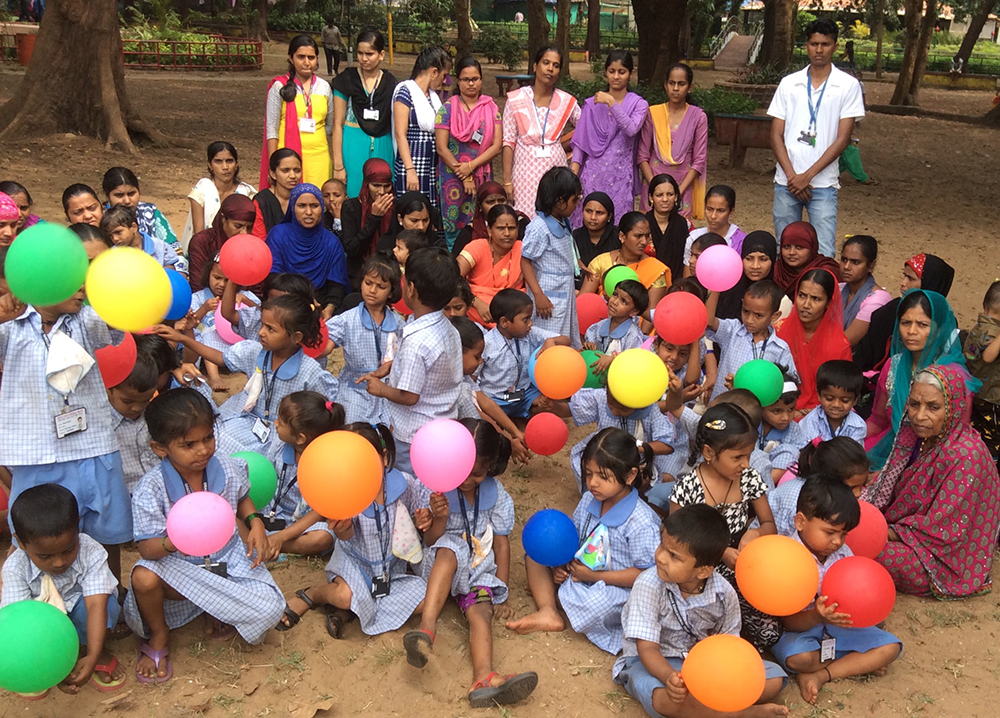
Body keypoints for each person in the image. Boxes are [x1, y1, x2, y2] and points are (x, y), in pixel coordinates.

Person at [124, 389, 286, 683]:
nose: (202, 450)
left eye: (208, 438)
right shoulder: (151, 488)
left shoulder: (223, 463)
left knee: (271, 609)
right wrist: (177, 540)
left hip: (226, 558)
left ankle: (213, 606)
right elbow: (147, 549)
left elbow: (241, 496)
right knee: (143, 578)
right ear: (160, 448)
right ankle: (160, 635)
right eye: (189, 445)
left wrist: (255, 522)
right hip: (180, 566)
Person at [0, 286, 133, 585]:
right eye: (72, 283)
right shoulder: (10, 325)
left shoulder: (85, 319)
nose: (82, 289)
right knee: (33, 534)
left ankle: (110, 596)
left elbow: (113, 323)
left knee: (105, 532)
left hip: (93, 446)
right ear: (45, 281)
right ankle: (32, 604)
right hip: (34, 454)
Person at [403, 419, 538, 709]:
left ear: (490, 467)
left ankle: (484, 677)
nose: (466, 480)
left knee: (481, 611)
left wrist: (501, 590)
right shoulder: (437, 488)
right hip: (440, 565)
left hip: (476, 569)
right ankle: (426, 630)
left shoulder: (497, 495)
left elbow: (501, 544)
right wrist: (438, 517)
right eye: (462, 471)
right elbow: (431, 541)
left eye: (477, 474)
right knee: (450, 549)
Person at [612, 505, 788, 718]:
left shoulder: (724, 593)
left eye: (674, 556)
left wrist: (718, 675)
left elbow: (728, 646)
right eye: (662, 546)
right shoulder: (649, 584)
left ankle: (712, 708)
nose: (660, 557)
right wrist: (671, 678)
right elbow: (647, 648)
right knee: (663, 698)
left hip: (702, 663)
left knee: (773, 679)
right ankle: (740, 714)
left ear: (703, 570)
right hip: (653, 661)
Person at [508, 428, 661, 653]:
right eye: (588, 474)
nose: (593, 483)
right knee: (536, 556)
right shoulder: (590, 499)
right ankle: (549, 610)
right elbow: (574, 538)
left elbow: (646, 575)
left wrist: (594, 576)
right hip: (580, 573)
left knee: (597, 604)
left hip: (614, 587)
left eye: (603, 476)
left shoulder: (641, 521)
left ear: (630, 475)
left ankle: (558, 597)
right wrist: (561, 565)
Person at [279, 422, 432, 637]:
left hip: (391, 570)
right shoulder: (345, 491)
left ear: (384, 457)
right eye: (353, 462)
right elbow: (346, 536)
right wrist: (343, 528)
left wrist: (424, 518)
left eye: (367, 460)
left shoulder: (404, 483)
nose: (361, 468)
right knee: (344, 596)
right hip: (356, 563)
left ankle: (351, 612)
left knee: (428, 599)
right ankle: (313, 595)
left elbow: (418, 516)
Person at [864, 365, 1000, 598]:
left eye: (933, 407)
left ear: (954, 409)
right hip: (900, 528)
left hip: (941, 557)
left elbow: (943, 530)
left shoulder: (966, 456)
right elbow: (889, 484)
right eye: (914, 404)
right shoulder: (914, 433)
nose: (919, 416)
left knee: (873, 553)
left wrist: (879, 532)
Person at [773, 476, 901, 705]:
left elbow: (858, 598)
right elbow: (786, 622)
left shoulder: (844, 554)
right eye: (830, 532)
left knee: (891, 648)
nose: (837, 541)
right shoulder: (786, 557)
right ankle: (853, 661)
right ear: (800, 521)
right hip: (801, 631)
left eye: (843, 534)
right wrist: (817, 615)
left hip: (840, 628)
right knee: (798, 659)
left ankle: (822, 674)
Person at [155, 295, 338, 452]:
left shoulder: (310, 373)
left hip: (281, 434)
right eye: (262, 325)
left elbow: (322, 411)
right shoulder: (255, 351)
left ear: (295, 337)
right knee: (215, 435)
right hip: (247, 420)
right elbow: (221, 358)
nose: (261, 333)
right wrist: (182, 339)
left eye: (270, 329)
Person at [669, 404, 780, 650]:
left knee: (769, 632)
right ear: (709, 453)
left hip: (742, 568)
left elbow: (769, 524)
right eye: (737, 457)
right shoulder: (688, 487)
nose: (745, 463)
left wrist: (756, 532)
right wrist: (720, 553)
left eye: (749, 455)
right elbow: (674, 539)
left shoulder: (749, 479)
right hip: (697, 570)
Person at [2, 484, 126, 696]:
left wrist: (94, 654)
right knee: (22, 631)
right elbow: (20, 625)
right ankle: (44, 666)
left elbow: (96, 604)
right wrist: (57, 669)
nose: (59, 562)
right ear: (21, 543)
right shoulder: (15, 568)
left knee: (107, 604)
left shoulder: (91, 551)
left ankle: (92, 650)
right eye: (45, 556)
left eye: (69, 549)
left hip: (83, 613)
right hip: (41, 627)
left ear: (78, 527)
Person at [358, 248, 463, 473]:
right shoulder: (447, 327)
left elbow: (409, 396)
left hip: (413, 434)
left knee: (412, 482)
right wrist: (391, 366)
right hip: (442, 424)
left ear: (411, 289)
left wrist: (381, 389)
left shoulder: (417, 342)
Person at [768, 18, 865, 258]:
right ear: (806, 45)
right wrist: (793, 177)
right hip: (786, 182)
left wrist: (807, 176)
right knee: (785, 251)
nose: (819, 50)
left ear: (835, 46)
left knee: (823, 253)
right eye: (813, 44)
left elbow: (843, 139)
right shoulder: (789, 83)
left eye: (825, 44)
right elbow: (775, 134)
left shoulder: (848, 86)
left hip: (823, 184)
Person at [866, 289, 972, 470]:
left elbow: (955, 438)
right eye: (906, 323)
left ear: (939, 329)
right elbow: (878, 420)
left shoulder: (953, 377)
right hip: (889, 450)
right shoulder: (895, 365)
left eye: (922, 324)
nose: (911, 331)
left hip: (935, 461)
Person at [258, 392, 342, 558]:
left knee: (323, 538)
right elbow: (265, 475)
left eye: (281, 423)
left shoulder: (325, 465)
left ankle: (273, 545)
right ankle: (266, 541)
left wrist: (282, 537)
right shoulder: (279, 445)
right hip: (273, 509)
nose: (275, 424)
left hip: (304, 521)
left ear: (300, 438)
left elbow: (319, 511)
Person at [502, 46, 581, 220]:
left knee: (555, 218)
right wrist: (507, 181)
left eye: (556, 65)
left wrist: (569, 150)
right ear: (535, 66)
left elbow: (585, 129)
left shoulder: (566, 101)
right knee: (526, 220)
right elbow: (508, 142)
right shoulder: (516, 99)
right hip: (524, 174)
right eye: (546, 63)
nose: (550, 69)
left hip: (556, 172)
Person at [570, 50, 649, 223]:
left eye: (622, 72)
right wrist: (572, 177)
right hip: (591, 176)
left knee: (617, 227)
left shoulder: (639, 104)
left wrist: (611, 103)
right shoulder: (592, 104)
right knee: (587, 224)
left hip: (620, 178)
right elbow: (580, 145)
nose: (616, 77)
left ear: (631, 73)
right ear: (605, 72)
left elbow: (631, 129)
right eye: (612, 71)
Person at [326, 254, 404, 424]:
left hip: (388, 389)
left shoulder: (399, 324)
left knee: (391, 429)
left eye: (381, 286)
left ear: (391, 292)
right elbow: (326, 345)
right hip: (354, 388)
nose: (372, 290)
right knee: (351, 426)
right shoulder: (346, 319)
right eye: (368, 283)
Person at [435, 56, 502, 248]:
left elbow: (496, 146)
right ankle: (454, 265)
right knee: (454, 225)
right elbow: (441, 147)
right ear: (458, 81)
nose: (471, 84)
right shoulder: (446, 109)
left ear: (481, 80)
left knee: (482, 221)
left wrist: (471, 167)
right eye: (466, 79)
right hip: (453, 176)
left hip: (481, 173)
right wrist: (464, 175)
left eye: (475, 79)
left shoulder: (491, 108)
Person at [853, 253, 955, 373]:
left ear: (931, 283)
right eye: (905, 322)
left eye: (911, 278)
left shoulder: (946, 321)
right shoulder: (889, 313)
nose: (903, 283)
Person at [480, 289, 571, 421]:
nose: (531, 323)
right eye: (525, 319)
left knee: (548, 405)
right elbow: (473, 379)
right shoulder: (487, 345)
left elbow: (566, 340)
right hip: (496, 398)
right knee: (487, 416)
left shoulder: (530, 333)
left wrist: (551, 341)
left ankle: (523, 414)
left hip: (525, 393)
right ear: (505, 322)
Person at [566, 388, 679, 492]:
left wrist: (634, 448)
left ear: (638, 405)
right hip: (604, 454)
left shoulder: (650, 411)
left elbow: (666, 445)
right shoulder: (600, 398)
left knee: (642, 479)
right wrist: (554, 406)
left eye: (622, 410)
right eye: (610, 405)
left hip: (635, 461)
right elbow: (571, 410)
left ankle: (633, 498)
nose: (614, 412)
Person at [705, 279, 797, 405]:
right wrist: (716, 285)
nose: (749, 320)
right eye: (746, 311)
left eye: (758, 315)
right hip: (721, 406)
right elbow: (709, 321)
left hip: (756, 414)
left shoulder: (780, 349)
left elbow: (790, 384)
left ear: (775, 316)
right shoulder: (733, 331)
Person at [520, 166, 584, 349]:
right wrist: (538, 295)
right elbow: (525, 261)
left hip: (564, 290)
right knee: (549, 338)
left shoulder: (563, 221)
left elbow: (566, 250)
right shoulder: (539, 227)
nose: (576, 204)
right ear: (559, 202)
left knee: (564, 336)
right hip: (547, 295)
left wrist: (579, 265)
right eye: (574, 200)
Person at [266, 183, 349, 316]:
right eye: (302, 206)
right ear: (292, 208)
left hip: (320, 306)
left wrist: (329, 308)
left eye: (314, 206)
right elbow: (273, 278)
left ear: (322, 208)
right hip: (284, 301)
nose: (309, 212)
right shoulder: (278, 235)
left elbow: (336, 284)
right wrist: (302, 298)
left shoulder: (331, 242)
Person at [332, 30, 397, 197]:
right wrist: (338, 165)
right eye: (360, 53)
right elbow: (337, 125)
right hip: (353, 144)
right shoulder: (346, 80)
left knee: (382, 195)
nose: (364, 58)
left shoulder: (391, 83)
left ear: (381, 54)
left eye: (369, 54)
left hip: (384, 143)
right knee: (355, 194)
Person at [639, 63, 708, 220]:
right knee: (649, 232)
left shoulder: (698, 117)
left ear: (689, 88)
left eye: (681, 84)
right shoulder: (653, 113)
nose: (675, 88)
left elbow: (699, 160)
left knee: (679, 233)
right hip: (653, 180)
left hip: (683, 183)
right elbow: (642, 155)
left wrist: (677, 191)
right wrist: (655, 187)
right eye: (672, 83)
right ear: (665, 85)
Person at [263, 35, 333, 190]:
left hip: (319, 157)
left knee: (316, 203)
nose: (306, 62)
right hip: (288, 159)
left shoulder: (324, 87)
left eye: (311, 57)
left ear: (317, 59)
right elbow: (272, 129)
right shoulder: (279, 87)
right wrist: (273, 165)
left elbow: (330, 125)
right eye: (301, 57)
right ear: (290, 58)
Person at [759, 437, 869, 536]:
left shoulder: (828, 496)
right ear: (828, 479)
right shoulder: (800, 502)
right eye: (851, 488)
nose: (858, 493)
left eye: (862, 485)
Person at [777, 268, 851, 414]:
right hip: (777, 409)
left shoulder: (840, 346)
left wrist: (803, 414)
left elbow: (839, 395)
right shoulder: (777, 332)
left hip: (819, 414)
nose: (806, 305)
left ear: (829, 302)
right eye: (802, 295)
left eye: (816, 299)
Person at [393, 46, 450, 208]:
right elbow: (400, 134)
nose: (445, 81)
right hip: (413, 166)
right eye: (444, 75)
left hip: (431, 168)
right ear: (433, 72)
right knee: (413, 212)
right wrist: (410, 169)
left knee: (429, 215)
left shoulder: (432, 97)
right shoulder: (405, 91)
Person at [581, 211, 669, 310]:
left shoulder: (655, 270)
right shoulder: (601, 262)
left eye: (647, 236)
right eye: (638, 236)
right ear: (622, 236)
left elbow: (651, 314)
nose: (644, 241)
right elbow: (583, 302)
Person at [182, 141, 256, 251]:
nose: (225, 167)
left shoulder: (247, 193)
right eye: (218, 161)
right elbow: (199, 235)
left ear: (236, 164)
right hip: (205, 252)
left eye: (229, 161)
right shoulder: (202, 190)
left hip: (240, 251)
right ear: (210, 166)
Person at [458, 204, 524, 327]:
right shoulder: (477, 247)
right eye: (500, 228)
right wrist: (476, 302)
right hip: (478, 308)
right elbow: (452, 276)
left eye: (512, 228)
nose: (507, 233)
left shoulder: (523, 249)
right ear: (489, 230)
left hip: (512, 308)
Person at [107, 352, 160, 493]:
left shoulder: (154, 415)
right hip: (124, 497)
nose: (137, 407)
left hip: (158, 492)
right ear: (108, 390)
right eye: (127, 401)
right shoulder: (104, 426)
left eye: (145, 400)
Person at [339, 158, 395, 288]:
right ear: (366, 184)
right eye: (376, 185)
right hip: (360, 274)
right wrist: (374, 218)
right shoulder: (351, 207)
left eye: (387, 186)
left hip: (389, 275)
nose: (382, 192)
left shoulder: (395, 207)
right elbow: (352, 249)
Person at [963, 280, 1000, 462]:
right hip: (991, 398)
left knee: (977, 433)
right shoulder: (994, 333)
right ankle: (990, 470)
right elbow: (988, 356)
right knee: (993, 439)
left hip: (975, 391)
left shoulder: (978, 327)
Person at [100, 168, 179, 254]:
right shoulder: (101, 218)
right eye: (119, 195)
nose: (127, 201)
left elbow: (176, 251)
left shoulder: (150, 213)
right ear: (107, 196)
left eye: (131, 194)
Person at [188, 194, 257, 291]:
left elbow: (257, 288)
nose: (244, 233)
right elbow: (198, 284)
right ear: (223, 219)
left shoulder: (254, 247)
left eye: (249, 228)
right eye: (238, 226)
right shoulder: (202, 242)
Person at [100, 205, 188, 275]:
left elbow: (171, 268)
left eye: (118, 232)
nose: (115, 239)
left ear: (134, 227)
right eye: (111, 236)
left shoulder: (159, 246)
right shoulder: (113, 256)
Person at [583, 279, 648, 370]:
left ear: (634, 311)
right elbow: (591, 347)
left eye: (623, 301)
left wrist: (613, 359)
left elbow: (633, 361)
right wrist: (590, 345)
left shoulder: (633, 335)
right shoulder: (599, 326)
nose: (615, 302)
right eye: (615, 295)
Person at [839, 234, 890, 347]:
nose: (846, 266)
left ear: (871, 265)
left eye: (855, 262)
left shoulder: (878, 299)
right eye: (844, 259)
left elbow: (845, 343)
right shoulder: (838, 289)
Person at [799, 359, 866, 444]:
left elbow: (855, 455)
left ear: (855, 400)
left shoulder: (858, 426)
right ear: (819, 395)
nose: (836, 405)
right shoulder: (811, 422)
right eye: (829, 399)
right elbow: (807, 452)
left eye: (845, 401)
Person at [716, 230, 777, 321]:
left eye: (763, 259)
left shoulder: (777, 297)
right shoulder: (727, 290)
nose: (755, 266)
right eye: (749, 259)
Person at [683, 185, 745, 264]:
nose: (713, 216)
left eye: (720, 210)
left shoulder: (739, 242)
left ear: (731, 211)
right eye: (709, 209)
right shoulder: (694, 237)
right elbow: (687, 273)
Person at [644, 174, 689, 282]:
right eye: (659, 195)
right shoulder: (642, 224)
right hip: (646, 282)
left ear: (676, 197)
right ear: (651, 198)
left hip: (677, 285)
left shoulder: (684, 225)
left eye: (670, 194)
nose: (665, 199)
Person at [251, 148, 303, 241]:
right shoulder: (262, 201)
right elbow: (259, 239)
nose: (293, 176)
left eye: (297, 170)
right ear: (273, 174)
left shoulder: (305, 197)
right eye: (285, 170)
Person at [573, 191, 619, 274]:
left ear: (609, 216)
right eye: (589, 211)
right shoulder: (574, 237)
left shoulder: (618, 238)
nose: (593, 217)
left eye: (599, 213)